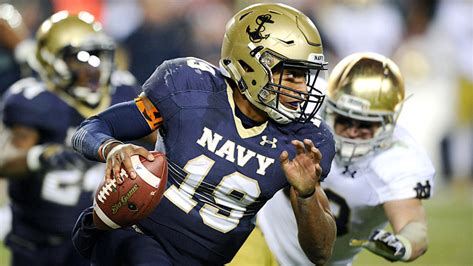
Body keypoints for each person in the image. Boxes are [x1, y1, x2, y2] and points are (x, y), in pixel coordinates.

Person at [71, 3, 337, 265]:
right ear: (251, 63)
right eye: (292, 75)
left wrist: (306, 195)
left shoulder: (304, 140)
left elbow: (322, 253)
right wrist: (113, 148)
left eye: (305, 77)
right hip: (136, 236)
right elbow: (90, 129)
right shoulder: (189, 88)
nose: (302, 89)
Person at [256, 52, 435, 265]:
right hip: (261, 233)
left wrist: (403, 245)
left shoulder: (399, 159)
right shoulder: (306, 101)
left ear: (388, 123)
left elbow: (413, 224)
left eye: (365, 125)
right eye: (344, 119)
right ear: (329, 109)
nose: (352, 132)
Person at [0, 11, 141, 266]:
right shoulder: (36, 102)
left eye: (97, 56)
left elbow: (161, 139)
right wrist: (39, 157)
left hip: (97, 239)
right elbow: (5, 161)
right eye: (80, 59)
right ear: (53, 61)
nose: (93, 70)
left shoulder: (123, 91)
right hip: (40, 243)